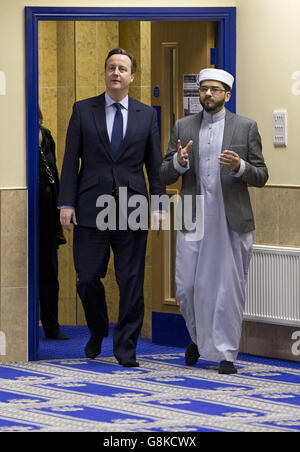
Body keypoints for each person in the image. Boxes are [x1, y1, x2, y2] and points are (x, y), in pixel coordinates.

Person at [58, 48, 165, 367]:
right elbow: (69, 160)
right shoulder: (83, 110)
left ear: (132, 77)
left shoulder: (146, 115)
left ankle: (126, 348)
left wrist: (158, 205)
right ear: (105, 74)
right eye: (111, 68)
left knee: (130, 279)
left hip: (132, 207)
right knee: (87, 278)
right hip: (90, 206)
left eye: (122, 68)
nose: (116, 73)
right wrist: (66, 202)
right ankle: (97, 328)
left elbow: (154, 164)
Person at [160, 68, 268, 374]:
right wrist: (179, 164)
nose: (208, 94)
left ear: (227, 95)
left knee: (227, 288)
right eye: (203, 89)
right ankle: (197, 338)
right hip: (194, 217)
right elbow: (163, 172)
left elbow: (261, 175)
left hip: (230, 219)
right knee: (187, 286)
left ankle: (226, 353)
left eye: (215, 90)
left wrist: (240, 166)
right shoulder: (183, 126)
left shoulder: (245, 127)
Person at [38, 108, 69, 340]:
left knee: (50, 273)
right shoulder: (18, 140)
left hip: (48, 216)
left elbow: (55, 173)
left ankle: (51, 325)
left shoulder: (47, 137)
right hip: (29, 214)